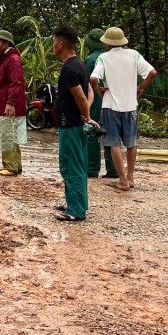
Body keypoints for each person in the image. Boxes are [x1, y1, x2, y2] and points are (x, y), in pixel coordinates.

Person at [90, 26, 157, 191]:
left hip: (110, 106)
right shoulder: (134, 54)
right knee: (131, 143)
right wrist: (140, 88)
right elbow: (152, 72)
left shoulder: (104, 58)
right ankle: (130, 177)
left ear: (107, 43)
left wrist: (99, 89)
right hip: (130, 106)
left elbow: (93, 78)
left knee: (114, 143)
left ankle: (122, 180)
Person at [51, 26, 97, 222]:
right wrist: (86, 114)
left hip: (70, 124)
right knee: (77, 164)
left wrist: (86, 116)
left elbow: (80, 96)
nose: (53, 46)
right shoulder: (79, 64)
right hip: (74, 123)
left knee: (71, 166)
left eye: (54, 42)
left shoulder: (69, 68)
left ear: (60, 44)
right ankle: (75, 203)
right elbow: (89, 93)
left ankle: (76, 211)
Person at [0, 30, 27, 176]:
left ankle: (10, 166)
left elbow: (15, 82)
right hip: (5, 102)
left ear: (6, 43)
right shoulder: (5, 58)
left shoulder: (12, 59)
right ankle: (15, 165)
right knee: (11, 134)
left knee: (8, 134)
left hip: (7, 103)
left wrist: (10, 103)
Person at [82, 29, 118, 180]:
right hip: (113, 103)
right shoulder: (113, 58)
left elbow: (85, 84)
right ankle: (113, 170)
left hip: (95, 103)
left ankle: (92, 169)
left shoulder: (90, 60)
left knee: (93, 135)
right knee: (111, 136)